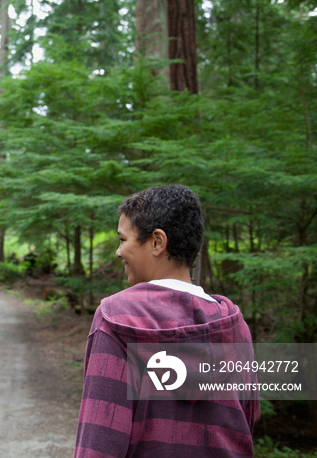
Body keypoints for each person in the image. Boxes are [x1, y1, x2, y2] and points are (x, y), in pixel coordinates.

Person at [74, 185, 259, 457]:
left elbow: (100, 438)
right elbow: (248, 420)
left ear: (157, 242)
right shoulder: (233, 322)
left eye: (123, 240)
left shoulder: (116, 319)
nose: (118, 252)